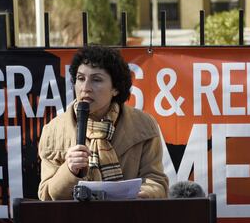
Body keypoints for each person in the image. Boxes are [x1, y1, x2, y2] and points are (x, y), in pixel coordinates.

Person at [38, 46, 168, 200]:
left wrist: (145, 193)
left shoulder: (144, 125)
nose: (85, 88)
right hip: (75, 221)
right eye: (80, 78)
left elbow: (156, 181)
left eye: (96, 80)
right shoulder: (53, 131)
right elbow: (46, 195)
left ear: (115, 89)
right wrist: (69, 170)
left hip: (127, 218)